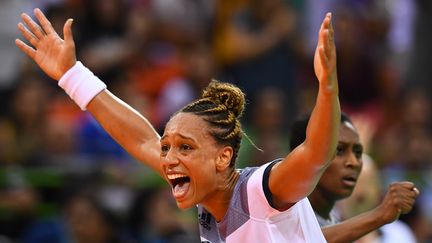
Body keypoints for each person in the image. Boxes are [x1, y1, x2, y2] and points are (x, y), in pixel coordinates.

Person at [16, 8, 339, 242]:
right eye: (168, 146)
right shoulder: (205, 193)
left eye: (185, 147)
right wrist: (72, 76)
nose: (168, 157)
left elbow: (315, 155)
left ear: (223, 157)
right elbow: (141, 140)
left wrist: (327, 90)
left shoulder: (260, 190)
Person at [289, 113, 420, 242]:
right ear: (304, 157)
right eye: (339, 150)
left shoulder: (334, 223)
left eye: (357, 152)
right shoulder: (281, 210)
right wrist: (380, 214)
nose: (354, 162)